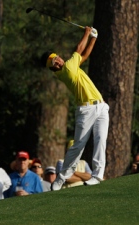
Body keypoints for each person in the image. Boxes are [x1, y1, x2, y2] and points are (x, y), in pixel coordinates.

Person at [41, 26, 110, 190]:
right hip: (86, 111)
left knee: (101, 140)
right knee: (78, 146)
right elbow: (79, 50)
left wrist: (93, 38)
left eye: (57, 57)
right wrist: (87, 33)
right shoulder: (66, 71)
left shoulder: (71, 66)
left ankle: (97, 175)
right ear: (54, 68)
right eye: (54, 61)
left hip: (100, 106)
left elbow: (84, 55)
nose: (58, 59)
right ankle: (61, 178)